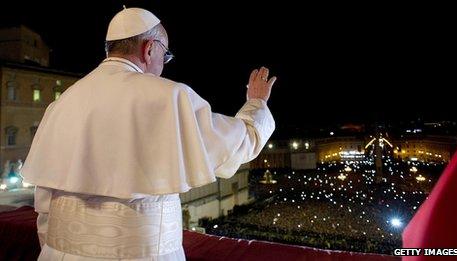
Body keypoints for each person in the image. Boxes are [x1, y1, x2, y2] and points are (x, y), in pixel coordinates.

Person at [20, 7, 276, 261]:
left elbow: (45, 201)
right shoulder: (169, 96)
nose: (163, 65)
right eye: (165, 56)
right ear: (149, 48)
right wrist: (256, 104)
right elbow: (239, 142)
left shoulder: (63, 101)